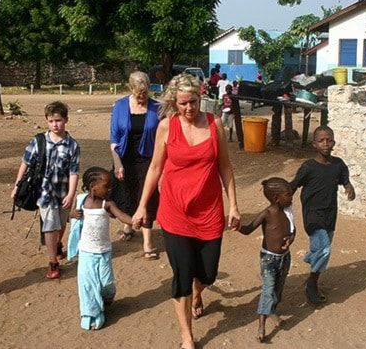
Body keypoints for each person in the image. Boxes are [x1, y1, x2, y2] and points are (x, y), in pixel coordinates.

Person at [132, 73, 241, 349]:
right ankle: (187, 337)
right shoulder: (167, 127)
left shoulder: (214, 124)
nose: (189, 108)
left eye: (193, 102)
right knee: (182, 274)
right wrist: (142, 206)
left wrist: (234, 206)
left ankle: (198, 290)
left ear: (200, 98)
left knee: (208, 273)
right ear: (174, 103)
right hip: (175, 212)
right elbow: (155, 168)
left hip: (209, 212)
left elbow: (225, 167)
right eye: (183, 104)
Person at [12, 101, 80, 279]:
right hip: (44, 193)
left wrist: (71, 194)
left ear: (66, 120)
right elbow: (25, 164)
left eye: (58, 120)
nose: (54, 125)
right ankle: (53, 262)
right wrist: (17, 186)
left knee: (61, 224)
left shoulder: (72, 146)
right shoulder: (38, 141)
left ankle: (57, 245)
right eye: (50, 121)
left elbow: (74, 172)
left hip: (63, 192)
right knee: (50, 225)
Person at [289, 125, 355, 304]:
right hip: (312, 215)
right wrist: (280, 206)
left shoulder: (338, 164)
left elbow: (344, 180)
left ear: (334, 142)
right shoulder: (308, 167)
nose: (326, 143)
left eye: (329, 140)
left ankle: (312, 258)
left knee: (321, 249)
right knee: (324, 248)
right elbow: (292, 186)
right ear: (314, 144)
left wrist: (349, 188)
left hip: (330, 215)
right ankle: (311, 283)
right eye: (321, 140)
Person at [69, 166, 133, 330]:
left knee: (106, 282)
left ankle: (106, 297)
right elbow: (69, 215)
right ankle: (91, 314)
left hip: (103, 251)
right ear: (92, 187)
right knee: (88, 285)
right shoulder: (82, 201)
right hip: (86, 252)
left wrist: (135, 221)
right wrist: (72, 215)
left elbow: (122, 216)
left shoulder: (107, 205)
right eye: (107, 186)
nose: (110, 189)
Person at [236, 177, 296, 343]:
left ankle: (272, 311)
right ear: (277, 198)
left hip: (284, 258)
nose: (292, 198)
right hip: (269, 259)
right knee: (268, 290)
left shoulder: (288, 210)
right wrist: (238, 226)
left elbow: (293, 230)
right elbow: (249, 230)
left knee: (278, 289)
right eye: (288, 195)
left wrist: (290, 239)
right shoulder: (267, 214)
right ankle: (261, 325)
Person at [109, 71, 161, 260]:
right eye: (139, 95)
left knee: (146, 197)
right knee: (128, 192)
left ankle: (147, 242)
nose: (142, 98)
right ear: (131, 89)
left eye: (145, 94)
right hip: (124, 157)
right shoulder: (120, 106)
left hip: (148, 159)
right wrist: (117, 163)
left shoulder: (157, 107)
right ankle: (128, 225)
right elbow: (114, 138)